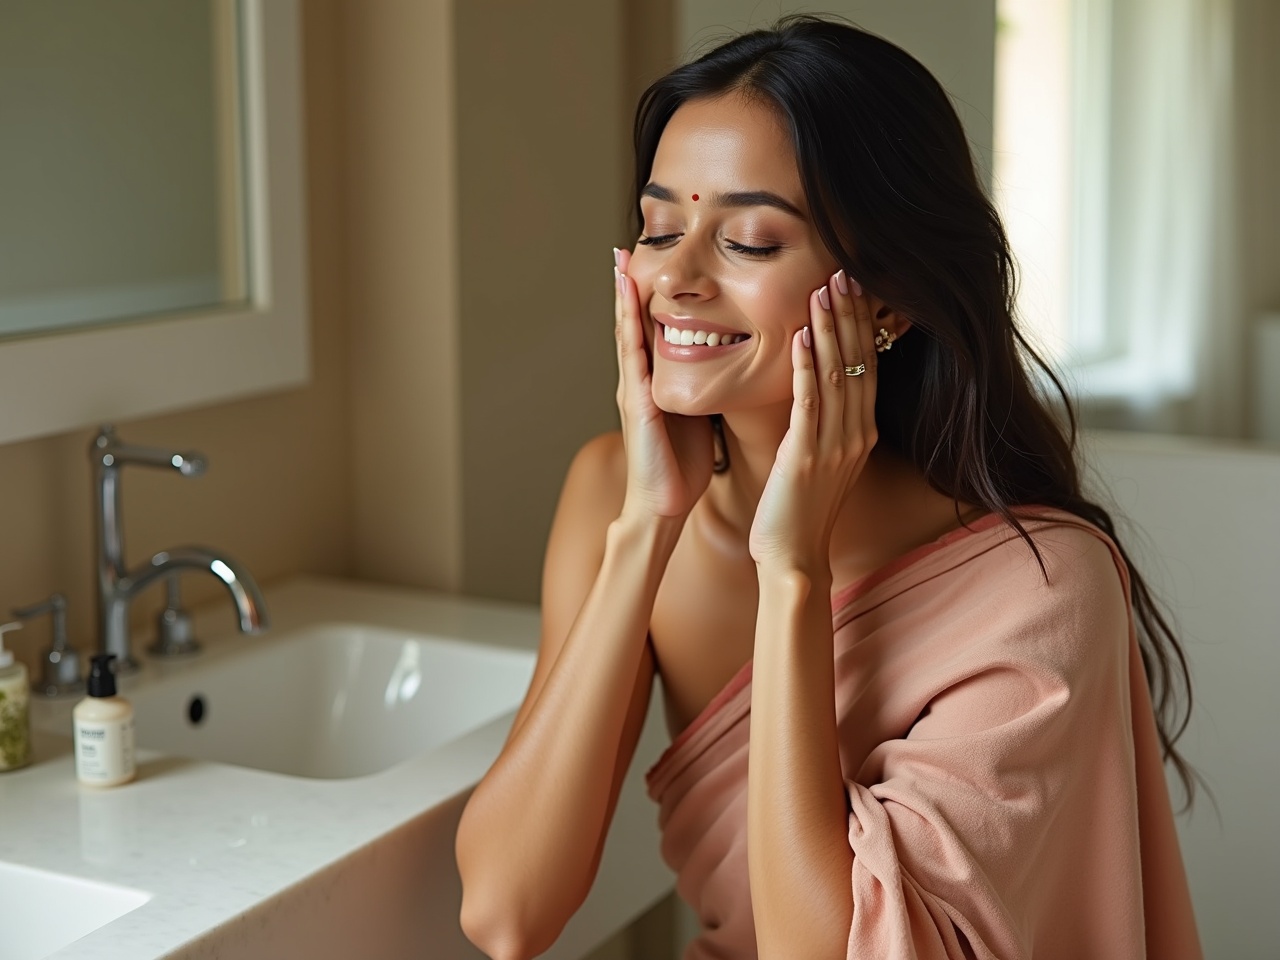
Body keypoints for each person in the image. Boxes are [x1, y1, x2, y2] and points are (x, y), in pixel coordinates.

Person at [455, 15, 1201, 960]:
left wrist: (794, 573)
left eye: (751, 242)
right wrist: (647, 524)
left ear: (886, 300)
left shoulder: (1041, 585)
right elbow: (505, 914)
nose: (675, 278)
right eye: (659, 228)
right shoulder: (614, 491)